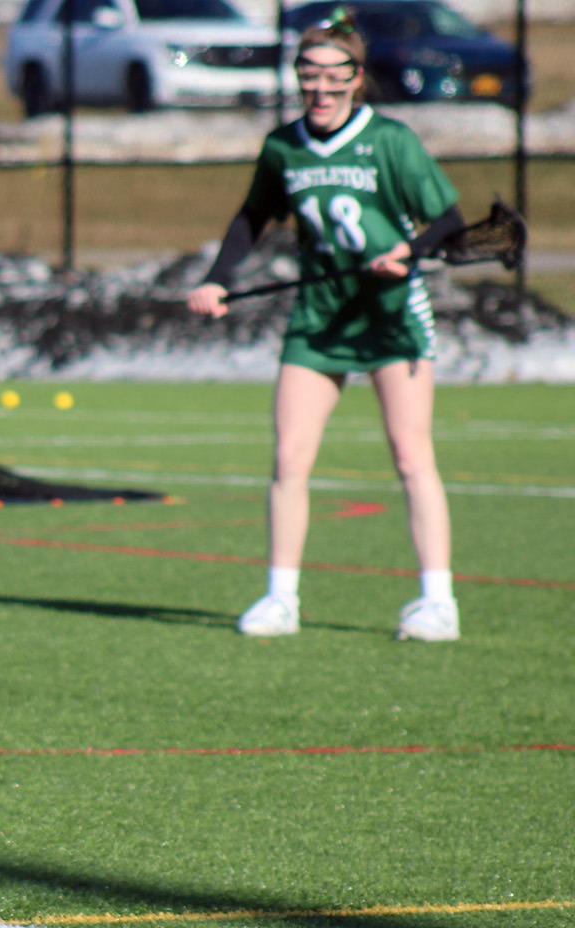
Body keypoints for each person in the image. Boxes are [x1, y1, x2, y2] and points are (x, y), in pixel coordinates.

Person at [187, 14, 464, 643]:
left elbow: (447, 220)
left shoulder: (390, 141)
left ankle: (437, 601)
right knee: (289, 457)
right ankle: (281, 598)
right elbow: (252, 218)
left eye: (334, 75)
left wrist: (408, 255)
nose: (320, 88)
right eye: (308, 75)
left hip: (391, 315)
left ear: (357, 79)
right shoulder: (283, 145)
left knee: (411, 455)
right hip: (319, 320)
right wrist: (218, 278)